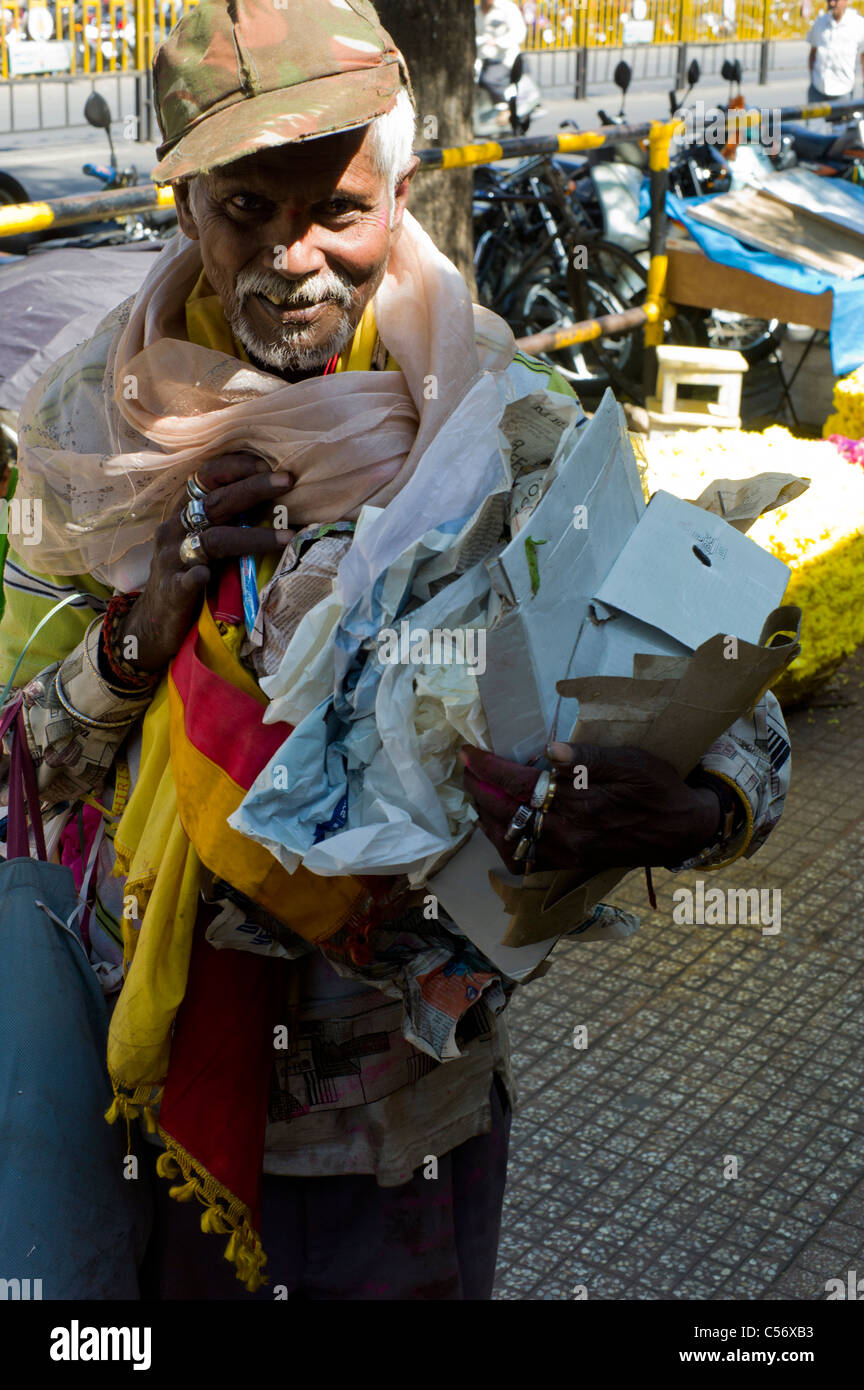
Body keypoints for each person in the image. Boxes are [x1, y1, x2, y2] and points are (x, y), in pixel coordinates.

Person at [0, 0, 791, 1301]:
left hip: (399, 1133)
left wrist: (690, 806)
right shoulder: (90, 429)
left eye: (339, 211)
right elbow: (18, 777)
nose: (295, 259)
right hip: (136, 1102)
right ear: (184, 201)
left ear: (401, 188)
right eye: (247, 209)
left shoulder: (498, 416)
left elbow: (722, 712)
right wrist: (136, 641)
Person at [476, 0, 529, 126]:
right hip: (481, 58)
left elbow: (519, 33)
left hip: (505, 59)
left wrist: (498, 42)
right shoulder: (476, 10)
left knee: (490, 79)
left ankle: (505, 109)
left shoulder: (507, 8)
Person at [807, 0, 864, 104]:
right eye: (829, 0)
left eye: (835, 0)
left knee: (843, 120)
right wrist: (812, 78)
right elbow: (812, 54)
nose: (832, 4)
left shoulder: (858, 25)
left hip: (842, 91)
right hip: (817, 88)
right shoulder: (820, 22)